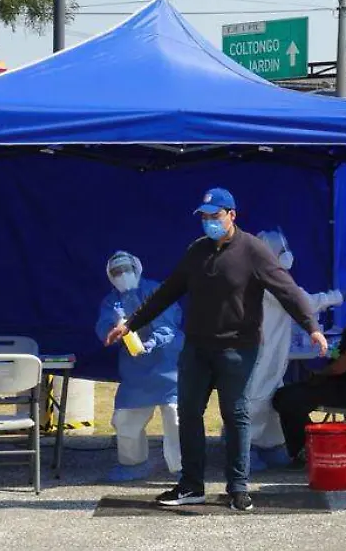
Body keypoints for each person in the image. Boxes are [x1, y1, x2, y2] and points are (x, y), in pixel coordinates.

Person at [106, 187, 328, 511]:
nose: (209, 222)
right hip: (197, 348)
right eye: (205, 217)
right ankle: (191, 485)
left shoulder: (254, 251)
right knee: (190, 413)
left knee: (236, 413)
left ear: (231, 216)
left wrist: (312, 328)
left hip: (238, 349)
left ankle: (238, 488)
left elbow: (288, 291)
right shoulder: (197, 251)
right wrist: (131, 325)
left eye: (215, 216)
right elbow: (167, 292)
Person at [271, 264, 346, 468]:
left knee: (284, 398)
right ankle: (307, 447)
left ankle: (313, 449)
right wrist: (331, 354)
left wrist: (321, 373)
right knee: (293, 393)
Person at [247, 229, 344, 471]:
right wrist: (337, 296)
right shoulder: (266, 280)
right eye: (281, 250)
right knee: (255, 402)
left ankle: (269, 447)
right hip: (260, 352)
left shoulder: (267, 276)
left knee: (270, 400)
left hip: (270, 353)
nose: (286, 254)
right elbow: (304, 302)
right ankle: (244, 453)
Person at [94, 251, 185, 482]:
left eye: (126, 269)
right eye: (116, 272)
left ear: (137, 268)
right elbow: (104, 327)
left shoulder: (156, 291)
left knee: (177, 417)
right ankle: (133, 464)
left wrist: (152, 341)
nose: (122, 275)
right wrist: (112, 331)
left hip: (169, 365)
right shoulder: (111, 301)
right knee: (126, 418)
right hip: (136, 371)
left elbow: (169, 324)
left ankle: (183, 468)